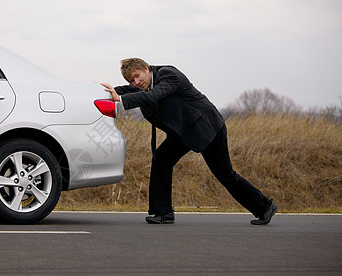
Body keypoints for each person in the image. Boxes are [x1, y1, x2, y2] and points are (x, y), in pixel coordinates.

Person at [101, 58, 277, 225]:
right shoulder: (144, 85)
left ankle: (265, 207)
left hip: (206, 128)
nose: (136, 82)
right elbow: (126, 90)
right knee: (161, 159)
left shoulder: (169, 75)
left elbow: (155, 95)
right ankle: (163, 213)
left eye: (137, 76)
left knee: (225, 174)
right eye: (132, 80)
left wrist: (121, 101)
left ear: (146, 69)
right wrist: (101, 92)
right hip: (183, 133)